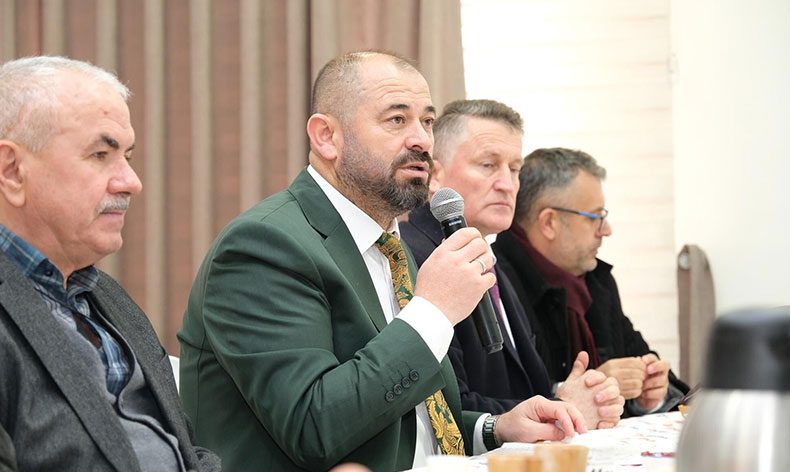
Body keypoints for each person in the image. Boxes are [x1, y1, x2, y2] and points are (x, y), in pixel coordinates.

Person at [178, 51, 586, 472]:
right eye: (397, 119)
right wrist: (433, 311)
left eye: (427, 121)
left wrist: (495, 427)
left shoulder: (390, 246)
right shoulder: (264, 245)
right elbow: (314, 427)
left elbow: (403, 421)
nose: (422, 140)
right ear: (326, 137)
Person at [0, 56, 221, 471]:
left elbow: (188, 455)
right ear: (12, 171)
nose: (131, 183)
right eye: (100, 154)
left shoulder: (105, 297)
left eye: (127, 157)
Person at [400, 100, 624, 429]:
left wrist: (572, 394)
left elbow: (518, 385)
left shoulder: (489, 258)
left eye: (514, 168)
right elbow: (442, 408)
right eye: (488, 165)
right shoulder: (412, 256)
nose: (507, 184)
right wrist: (558, 408)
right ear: (435, 175)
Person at [493, 147, 690, 416]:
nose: (606, 230)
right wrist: (589, 388)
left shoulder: (597, 282)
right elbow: (499, 398)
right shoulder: (495, 283)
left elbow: (641, 358)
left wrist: (650, 392)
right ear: (549, 222)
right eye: (596, 217)